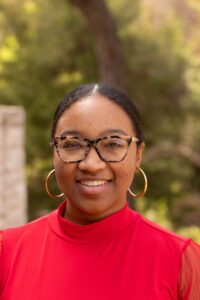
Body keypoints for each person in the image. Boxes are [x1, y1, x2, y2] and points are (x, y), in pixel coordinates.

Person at [0, 83, 199, 300]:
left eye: (113, 144)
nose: (91, 164)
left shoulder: (182, 263)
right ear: (54, 153)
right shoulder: (7, 253)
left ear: (138, 155)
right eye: (73, 144)